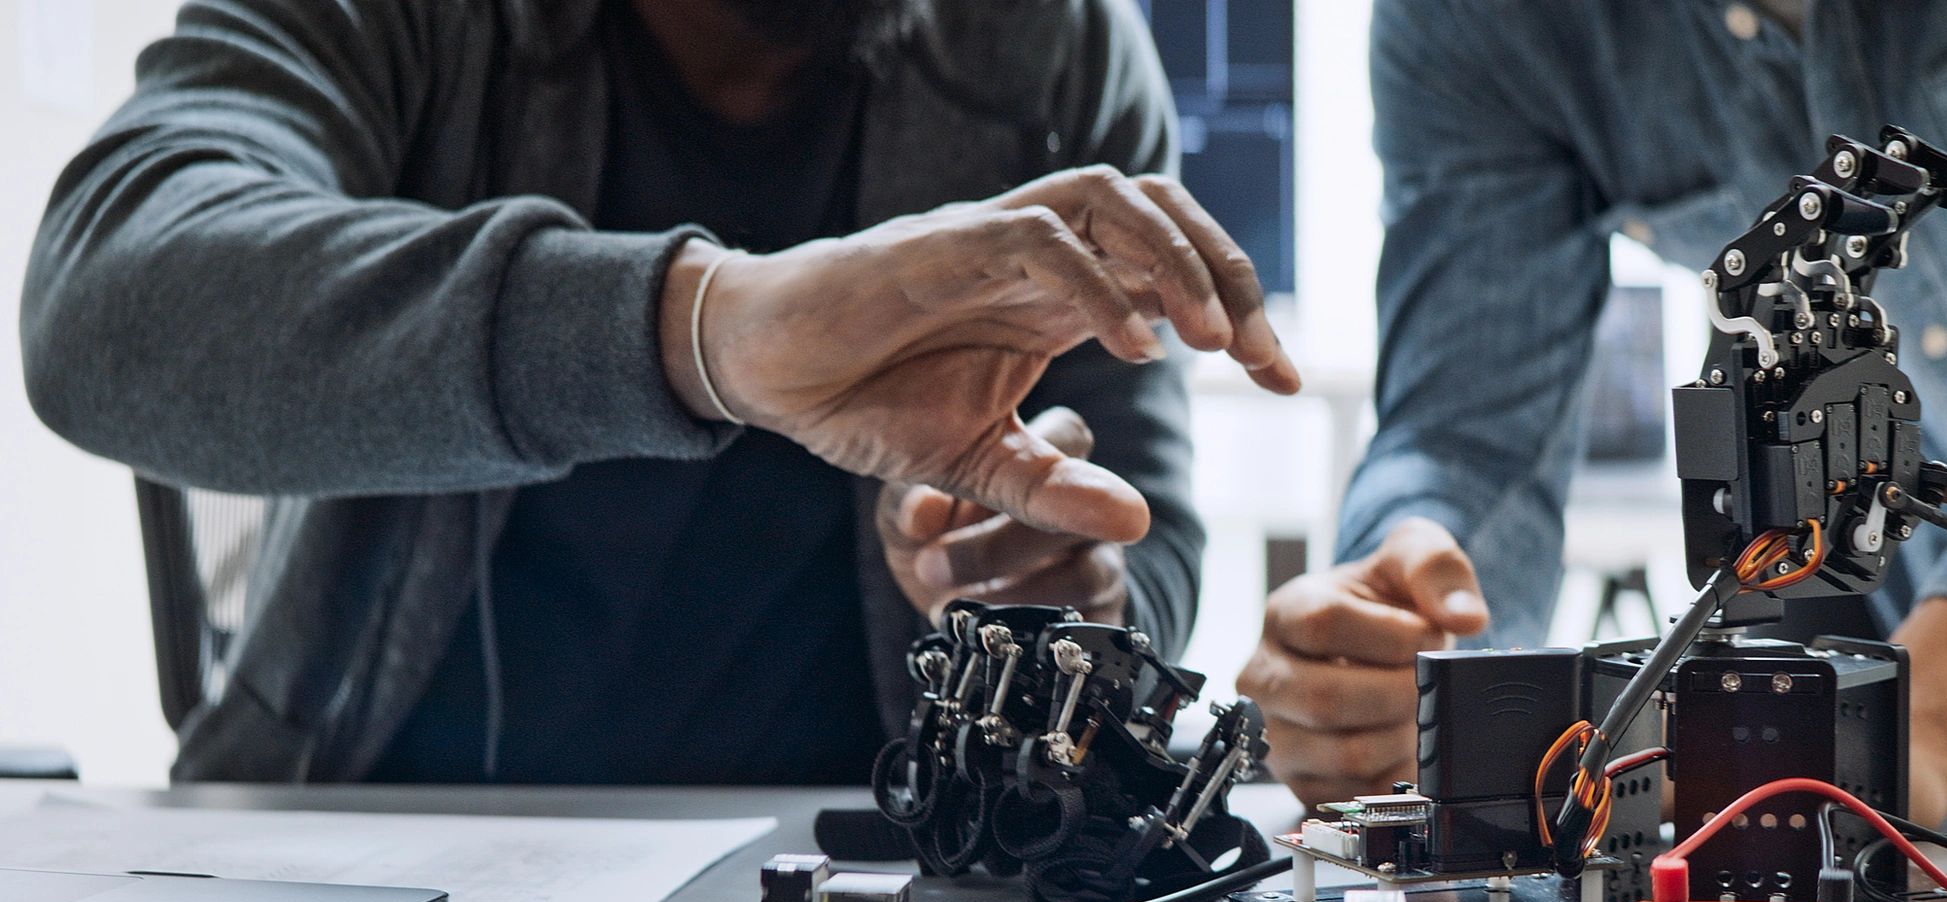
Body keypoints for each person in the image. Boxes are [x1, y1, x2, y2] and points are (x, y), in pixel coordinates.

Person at [21, 0, 1296, 784]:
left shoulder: (1055, 51)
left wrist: (1062, 598)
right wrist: (699, 328)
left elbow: (1142, 534)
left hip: (875, 885)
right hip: (375, 859)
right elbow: (105, 298)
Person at [1244, 0, 1947, 825]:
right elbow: (1466, 433)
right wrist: (1409, 632)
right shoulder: (1485, 27)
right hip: (1875, 546)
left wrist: (1926, 725)